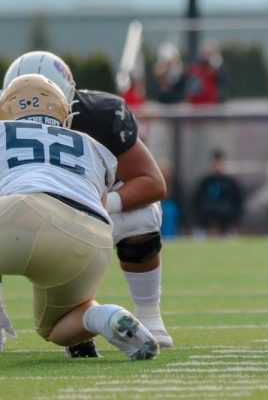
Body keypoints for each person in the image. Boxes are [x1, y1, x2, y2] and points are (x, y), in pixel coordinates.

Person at [3, 51, 172, 356]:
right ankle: (100, 317)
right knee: (55, 328)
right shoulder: (92, 145)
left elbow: (152, 182)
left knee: (142, 214)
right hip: (89, 236)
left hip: (21, 217)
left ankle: (149, 316)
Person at [192, 149, 245, 236]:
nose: (216, 165)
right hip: (205, 224)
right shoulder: (205, 183)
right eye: (215, 162)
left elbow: (237, 203)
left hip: (226, 224)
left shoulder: (230, 183)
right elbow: (196, 203)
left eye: (219, 162)